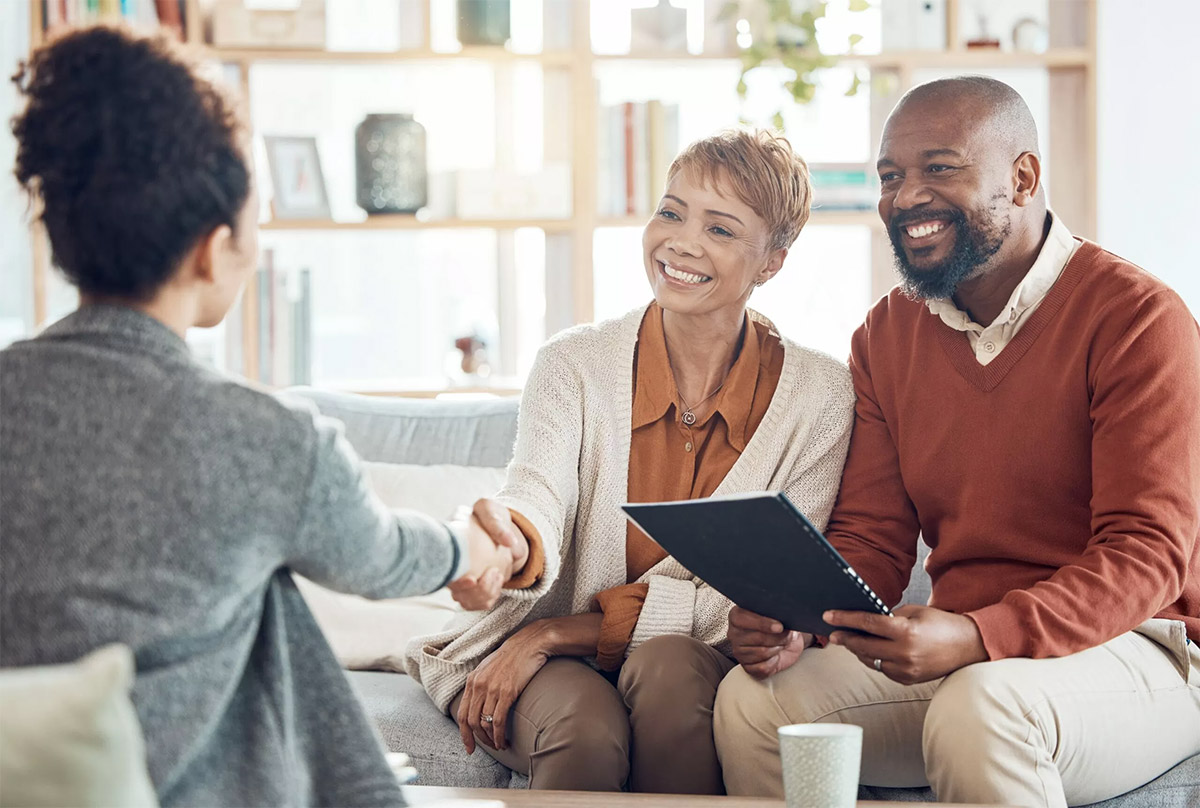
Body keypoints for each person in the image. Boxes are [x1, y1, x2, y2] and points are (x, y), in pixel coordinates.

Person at [0, 27, 530, 807]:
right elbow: (381, 557)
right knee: (270, 592)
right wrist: (471, 547)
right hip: (172, 787)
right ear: (214, 252)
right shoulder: (263, 440)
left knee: (260, 581)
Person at [713, 76, 1200, 807]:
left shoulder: (1137, 318)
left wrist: (978, 636)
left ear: (1022, 177)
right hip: (966, 653)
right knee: (756, 703)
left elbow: (1147, 555)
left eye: (940, 168)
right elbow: (874, 539)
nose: (906, 196)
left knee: (983, 707)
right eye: (891, 177)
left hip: (1142, 649)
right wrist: (799, 621)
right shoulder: (886, 335)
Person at [405, 129, 855, 793]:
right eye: (671, 212)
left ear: (772, 262)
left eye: (721, 229)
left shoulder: (821, 396)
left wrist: (561, 633)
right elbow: (536, 496)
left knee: (672, 673)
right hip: (548, 652)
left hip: (687, 659)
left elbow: (761, 592)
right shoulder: (573, 363)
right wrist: (507, 549)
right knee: (584, 731)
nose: (681, 242)